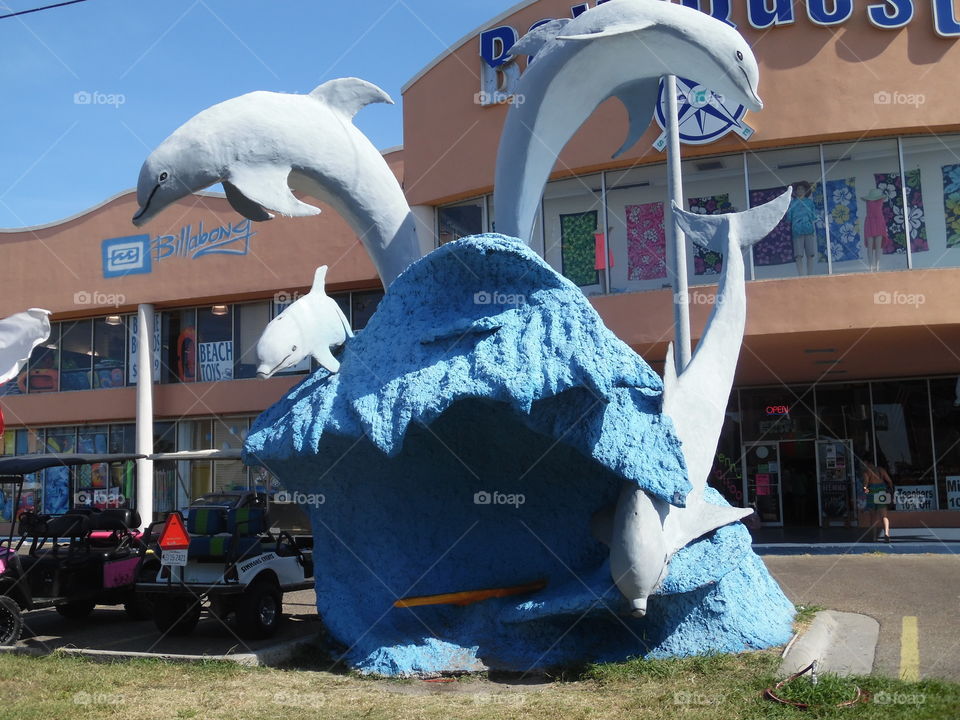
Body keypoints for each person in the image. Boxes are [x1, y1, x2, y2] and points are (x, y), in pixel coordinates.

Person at [787, 181, 818, 276]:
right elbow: (788, 218)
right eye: (798, 189)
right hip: (797, 231)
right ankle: (801, 275)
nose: (800, 190)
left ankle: (810, 274)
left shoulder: (809, 203)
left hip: (808, 230)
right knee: (798, 255)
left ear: (805, 191)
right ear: (795, 191)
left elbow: (814, 216)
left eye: (802, 189)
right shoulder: (792, 203)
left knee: (810, 254)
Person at [862, 460, 895, 542]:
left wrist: (866, 492)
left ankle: (874, 537)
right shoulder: (881, 470)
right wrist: (890, 490)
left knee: (873, 517)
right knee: (884, 516)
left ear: (869, 464)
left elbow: (865, 486)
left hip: (872, 493)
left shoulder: (866, 472)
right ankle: (887, 533)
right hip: (881, 492)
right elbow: (889, 481)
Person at [860, 187, 889, 272]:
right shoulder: (869, 201)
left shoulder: (880, 200)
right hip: (870, 221)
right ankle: (871, 266)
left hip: (878, 221)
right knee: (871, 246)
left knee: (877, 246)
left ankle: (877, 265)